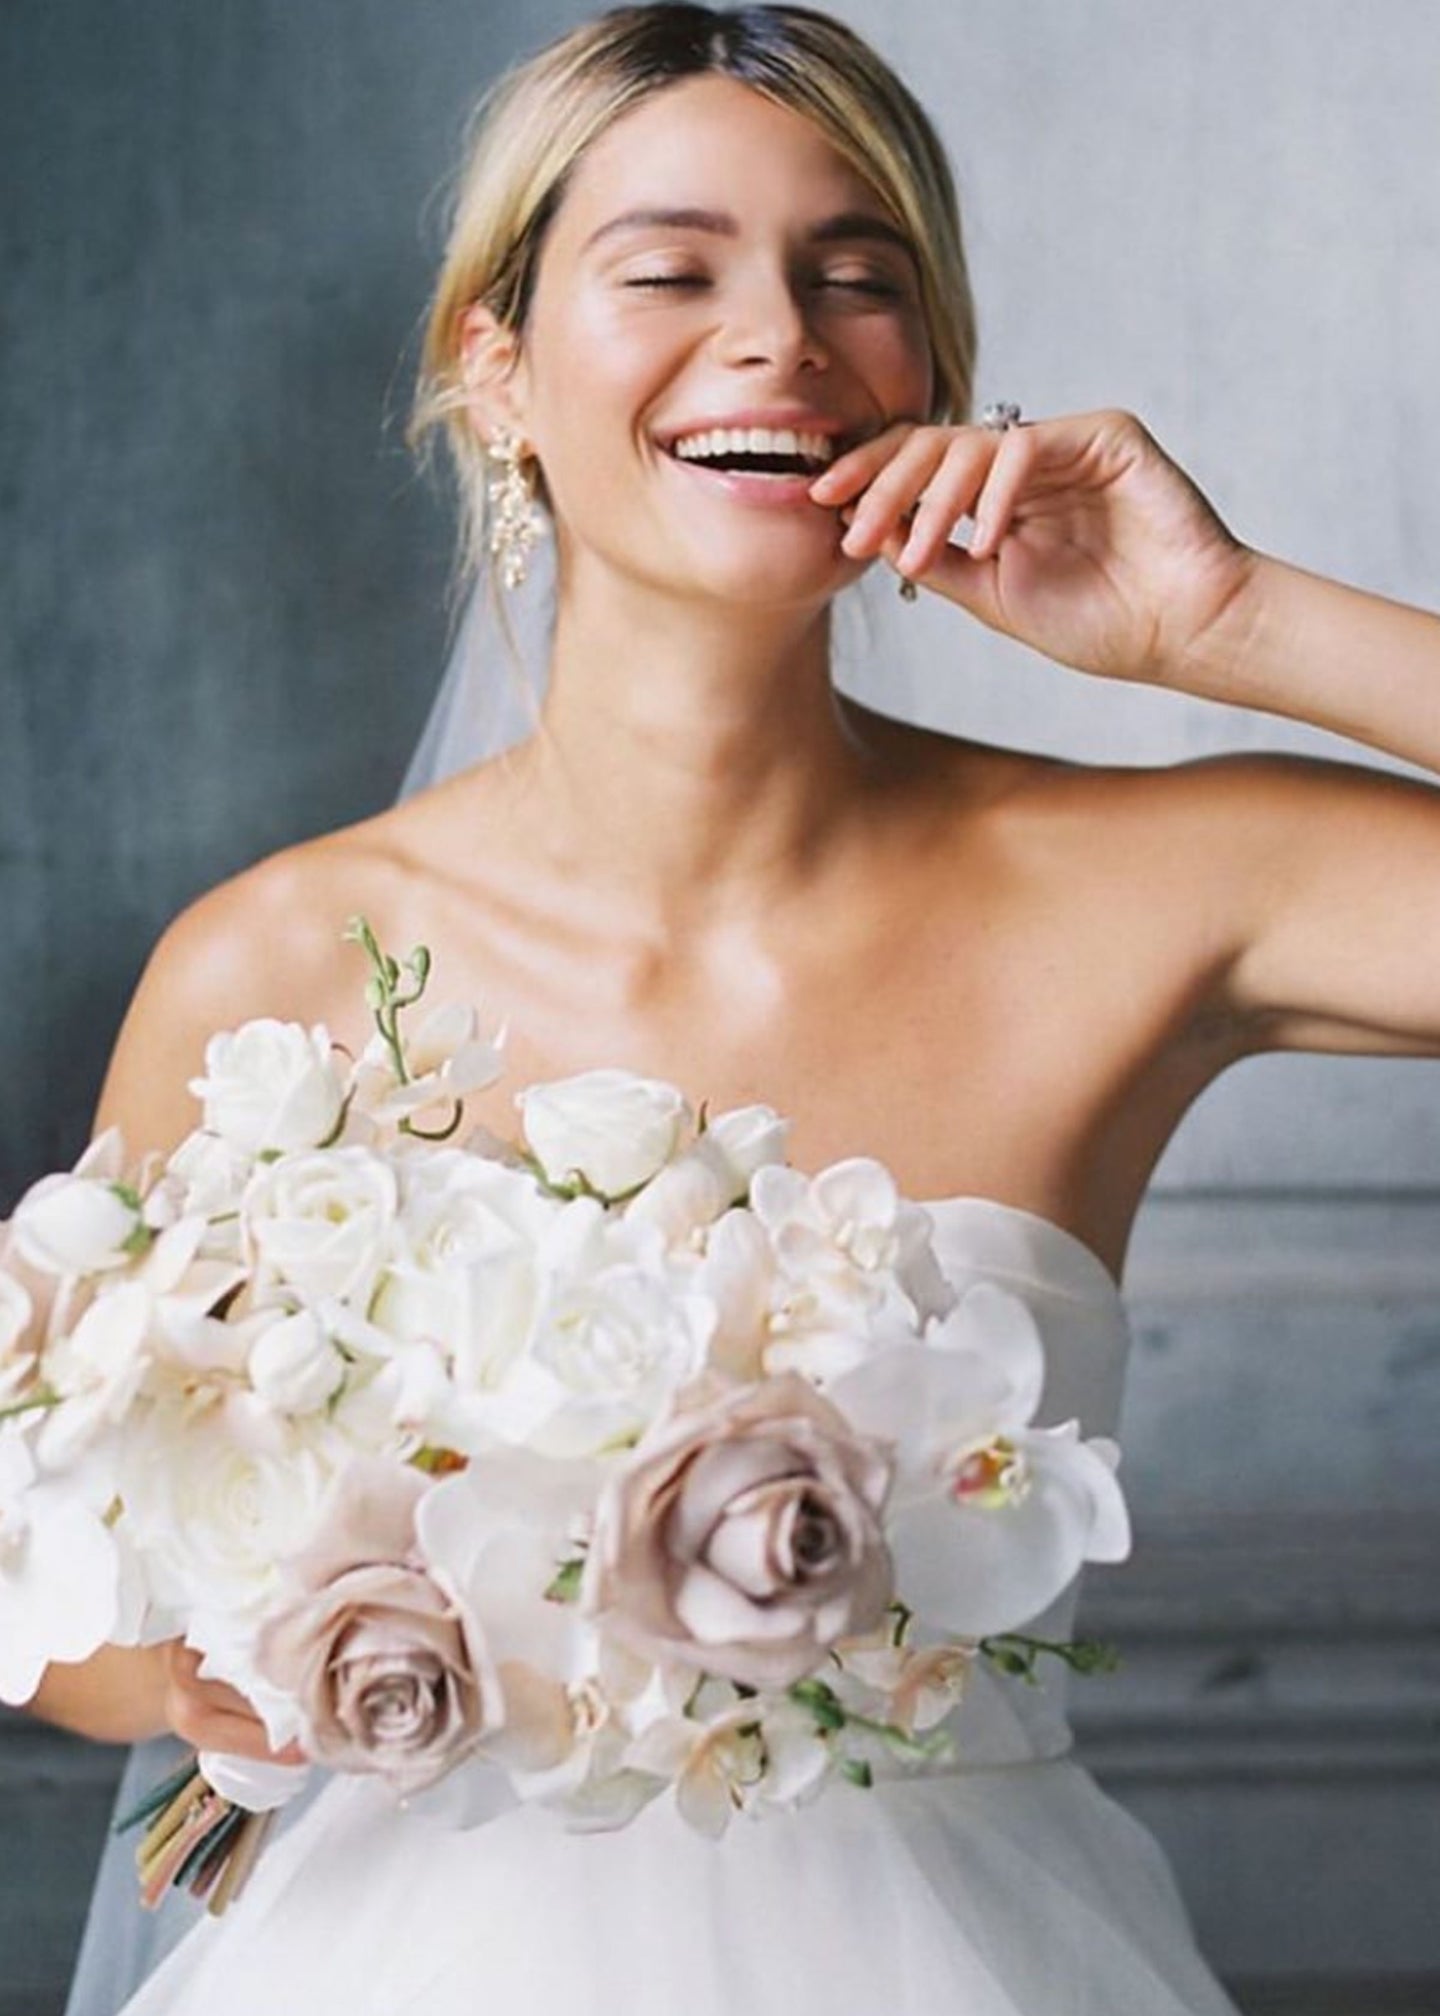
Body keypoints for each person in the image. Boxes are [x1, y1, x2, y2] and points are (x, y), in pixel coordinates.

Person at [28, 4, 1440, 2010]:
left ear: (932, 373)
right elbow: (62, 1611)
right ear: (495, 370)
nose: (779, 333)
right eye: (672, 270)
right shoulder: (273, 970)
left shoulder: (1139, 896)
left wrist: (1230, 620)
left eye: (856, 278)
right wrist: (254, 1667)